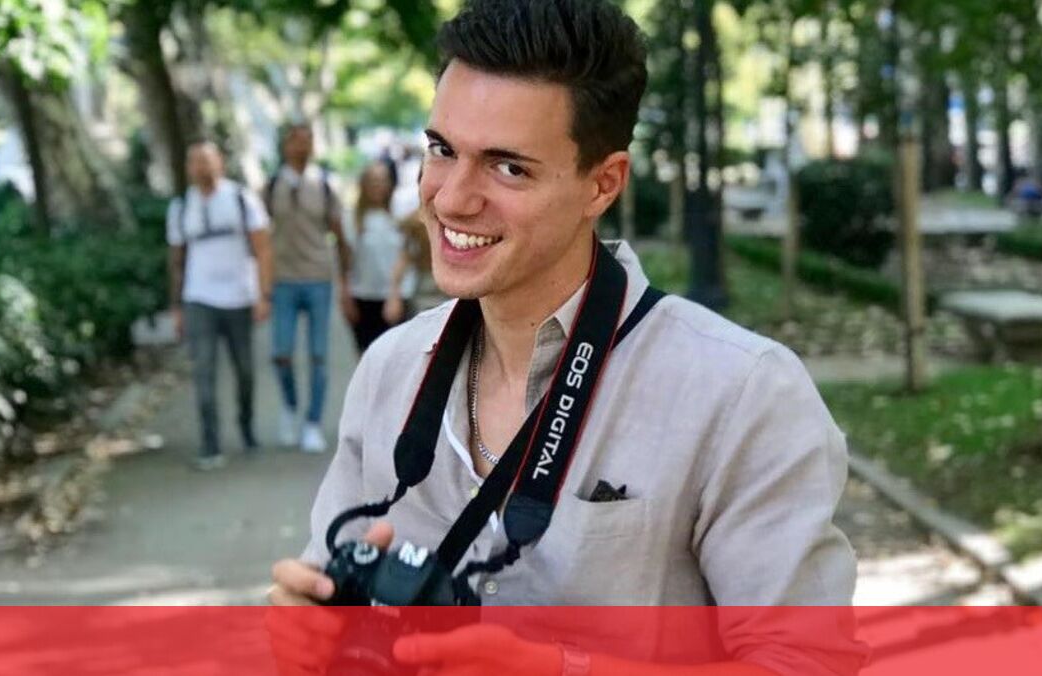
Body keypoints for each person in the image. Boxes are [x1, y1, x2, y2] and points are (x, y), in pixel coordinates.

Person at [269, 0, 862, 673]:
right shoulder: (390, 369)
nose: (451, 198)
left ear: (602, 184)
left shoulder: (742, 393)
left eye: (508, 168)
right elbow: (323, 595)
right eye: (442, 151)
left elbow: (808, 663)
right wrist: (308, 635)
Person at [167, 140, 273, 471]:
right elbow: (177, 260)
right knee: (203, 371)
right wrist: (177, 306)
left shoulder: (241, 199)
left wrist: (263, 294)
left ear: (220, 163)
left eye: (207, 160)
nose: (202, 167)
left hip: (239, 297)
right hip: (199, 298)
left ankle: (246, 426)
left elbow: (263, 249)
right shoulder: (181, 207)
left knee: (244, 370)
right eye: (195, 161)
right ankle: (210, 442)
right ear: (188, 168)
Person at [264, 123, 349, 453]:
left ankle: (312, 422)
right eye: (296, 140)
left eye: (308, 141)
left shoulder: (325, 185)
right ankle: (289, 407)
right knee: (281, 354)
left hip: (318, 278)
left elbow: (339, 235)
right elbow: (259, 237)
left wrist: (345, 283)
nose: (302, 146)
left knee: (318, 356)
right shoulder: (271, 186)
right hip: (283, 280)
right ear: (285, 145)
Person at [342, 161, 416, 352]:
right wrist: (345, 297)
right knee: (367, 357)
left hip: (396, 297)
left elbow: (405, 256)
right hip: (363, 297)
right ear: (364, 184)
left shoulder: (399, 215)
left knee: (397, 358)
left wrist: (395, 293)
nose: (378, 185)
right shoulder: (352, 218)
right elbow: (345, 263)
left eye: (383, 180)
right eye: (373, 180)